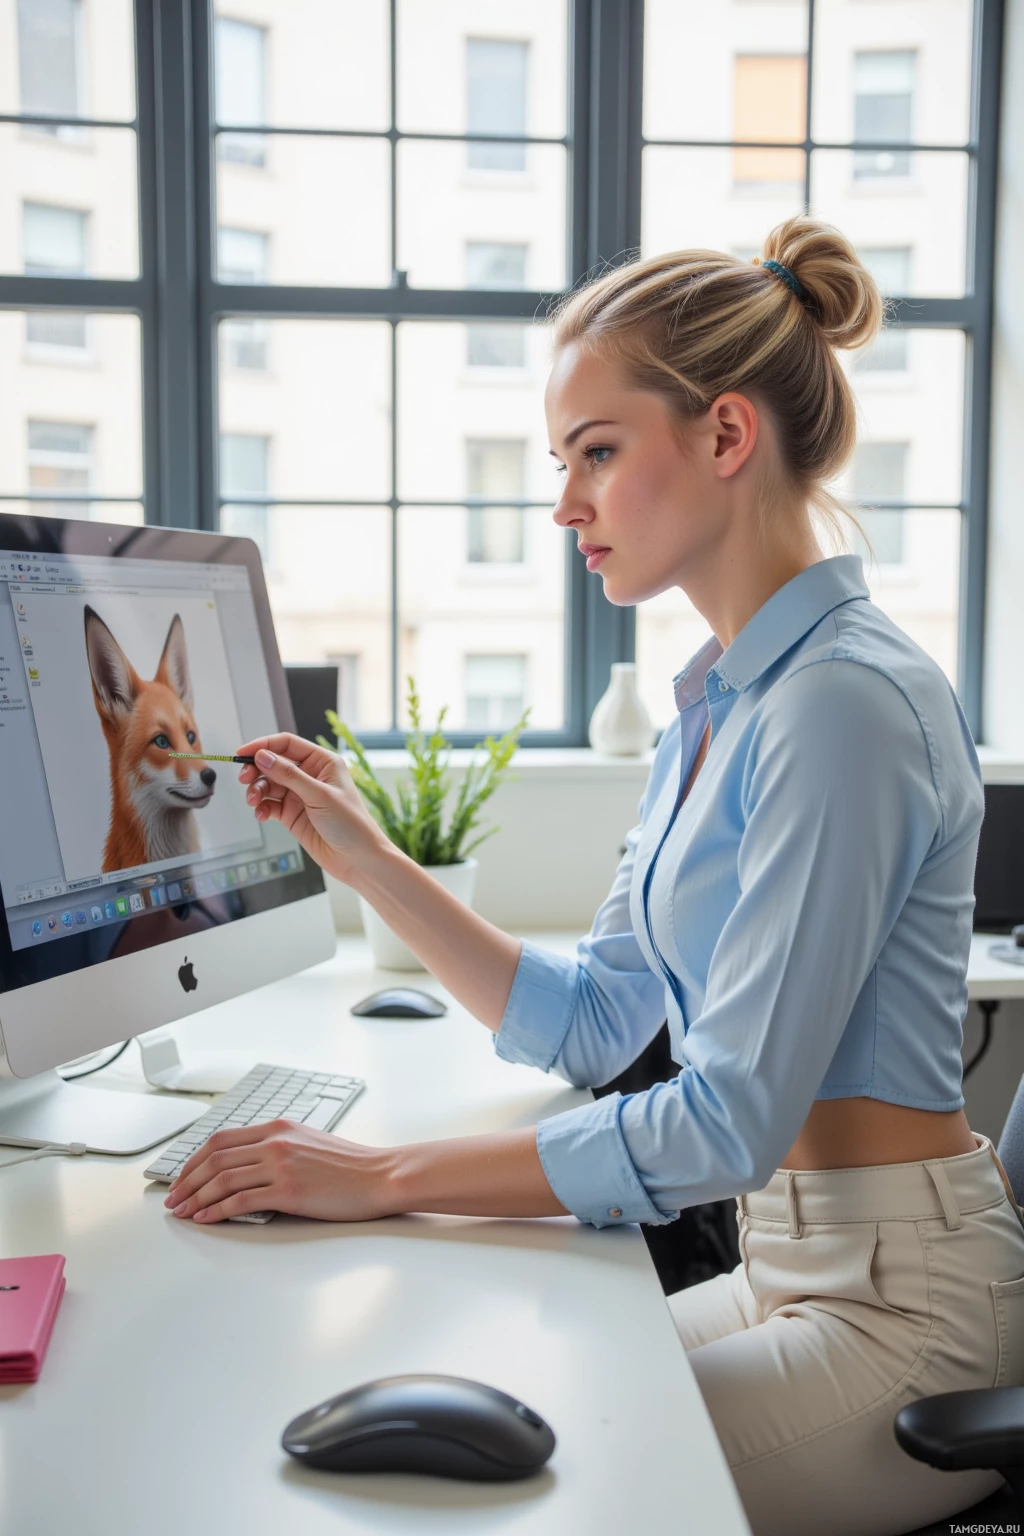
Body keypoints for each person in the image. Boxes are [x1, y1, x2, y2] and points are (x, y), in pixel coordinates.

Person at [165, 216, 1024, 1536]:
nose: (564, 501)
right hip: (795, 1266)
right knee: (471, 1404)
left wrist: (386, 1175)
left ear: (727, 438)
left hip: (903, 1313)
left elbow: (723, 1125)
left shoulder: (842, 705)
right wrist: (369, 859)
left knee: (516, 1497)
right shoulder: (721, 706)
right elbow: (601, 1018)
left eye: (597, 453)